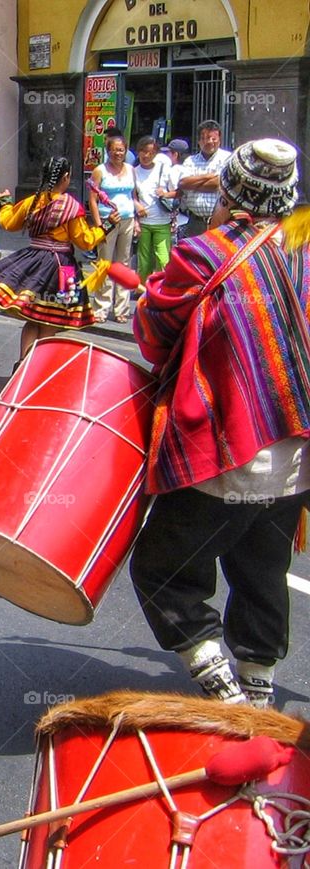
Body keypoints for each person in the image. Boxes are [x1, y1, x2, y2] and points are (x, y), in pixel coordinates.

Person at [130, 139, 310, 710]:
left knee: (162, 568)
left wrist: (146, 300)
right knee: (262, 569)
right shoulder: (305, 253)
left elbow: (155, 334)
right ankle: (258, 683)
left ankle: (215, 673)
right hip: (295, 456)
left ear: (230, 194)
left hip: (227, 451)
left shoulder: (203, 255)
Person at [0, 156, 119, 362]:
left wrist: (5, 203)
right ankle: (36, 371)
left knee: (32, 319)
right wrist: (107, 226)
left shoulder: (33, 201)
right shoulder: (71, 206)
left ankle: (23, 365)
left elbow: (8, 223)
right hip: (61, 267)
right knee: (50, 320)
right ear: (66, 177)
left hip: (32, 262)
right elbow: (85, 241)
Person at [88, 129, 146, 322]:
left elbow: (133, 196)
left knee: (124, 265)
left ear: (126, 151)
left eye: (121, 150)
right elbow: (93, 200)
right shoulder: (100, 171)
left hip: (128, 220)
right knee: (104, 264)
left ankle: (121, 309)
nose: (118, 153)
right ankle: (101, 309)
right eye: (114, 150)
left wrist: (136, 219)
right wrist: (98, 226)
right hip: (107, 222)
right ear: (108, 151)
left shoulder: (131, 170)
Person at [178, 120, 232, 238]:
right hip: (195, 222)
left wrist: (194, 183)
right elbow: (183, 183)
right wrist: (209, 176)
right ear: (198, 141)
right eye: (204, 138)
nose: (209, 142)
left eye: (213, 138)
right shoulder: (190, 161)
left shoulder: (227, 158)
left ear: (219, 139)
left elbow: (218, 183)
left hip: (219, 221)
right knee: (195, 256)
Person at [133, 135, 173, 281]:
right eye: (143, 151)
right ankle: (143, 290)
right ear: (138, 151)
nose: (146, 155)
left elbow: (178, 192)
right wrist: (136, 206)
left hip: (162, 222)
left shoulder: (163, 170)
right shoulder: (133, 171)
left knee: (163, 259)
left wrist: (166, 194)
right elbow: (132, 195)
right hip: (144, 223)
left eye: (151, 152)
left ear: (156, 153)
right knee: (144, 262)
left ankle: (162, 289)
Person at [159, 138, 190, 240]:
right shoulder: (190, 168)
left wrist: (164, 194)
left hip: (178, 216)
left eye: (168, 153)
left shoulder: (175, 170)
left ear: (175, 154)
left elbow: (176, 193)